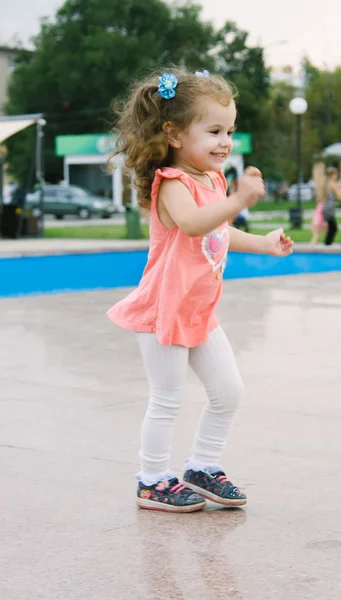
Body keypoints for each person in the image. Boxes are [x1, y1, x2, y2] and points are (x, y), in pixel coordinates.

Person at [107, 68, 294, 513]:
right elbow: (192, 224)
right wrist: (240, 201)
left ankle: (202, 466)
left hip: (198, 310)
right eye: (213, 131)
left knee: (228, 391)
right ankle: (152, 480)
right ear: (173, 133)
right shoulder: (172, 183)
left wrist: (264, 244)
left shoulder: (214, 181)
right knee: (167, 399)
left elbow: (218, 233)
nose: (225, 141)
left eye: (229, 130)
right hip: (164, 309)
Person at [321, 167, 341, 245]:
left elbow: (325, 198)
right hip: (329, 209)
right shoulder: (332, 184)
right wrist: (340, 186)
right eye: (336, 175)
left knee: (331, 228)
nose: (336, 176)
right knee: (333, 228)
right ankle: (327, 245)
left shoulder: (326, 184)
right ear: (333, 175)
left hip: (325, 208)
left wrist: (334, 203)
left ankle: (327, 244)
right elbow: (340, 197)